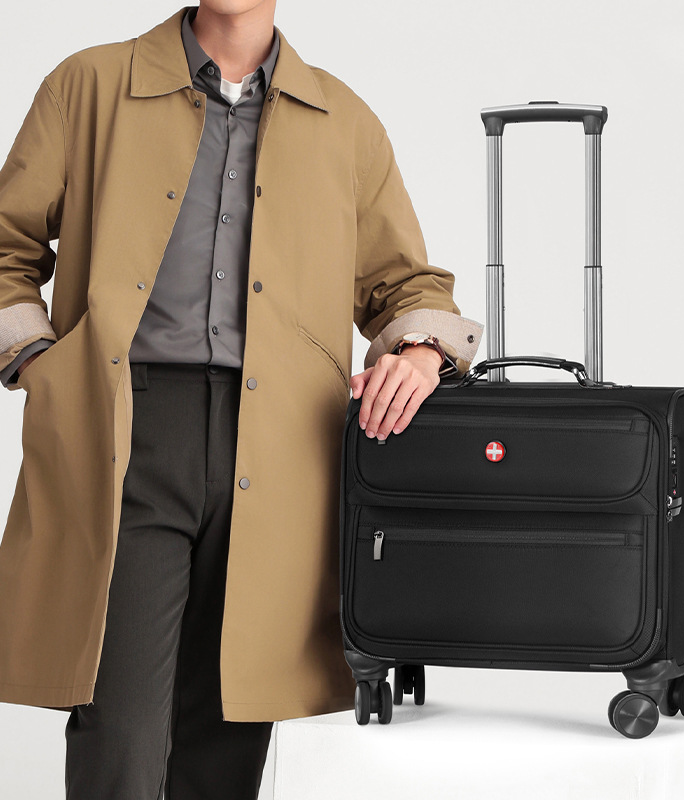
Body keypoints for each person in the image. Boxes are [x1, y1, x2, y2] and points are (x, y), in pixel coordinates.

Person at [0, 1, 483, 797]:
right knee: (119, 725)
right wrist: (38, 363)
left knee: (228, 725)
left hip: (284, 447)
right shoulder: (89, 86)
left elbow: (405, 283)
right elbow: (7, 245)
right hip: (129, 432)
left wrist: (424, 350)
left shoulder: (344, 121)